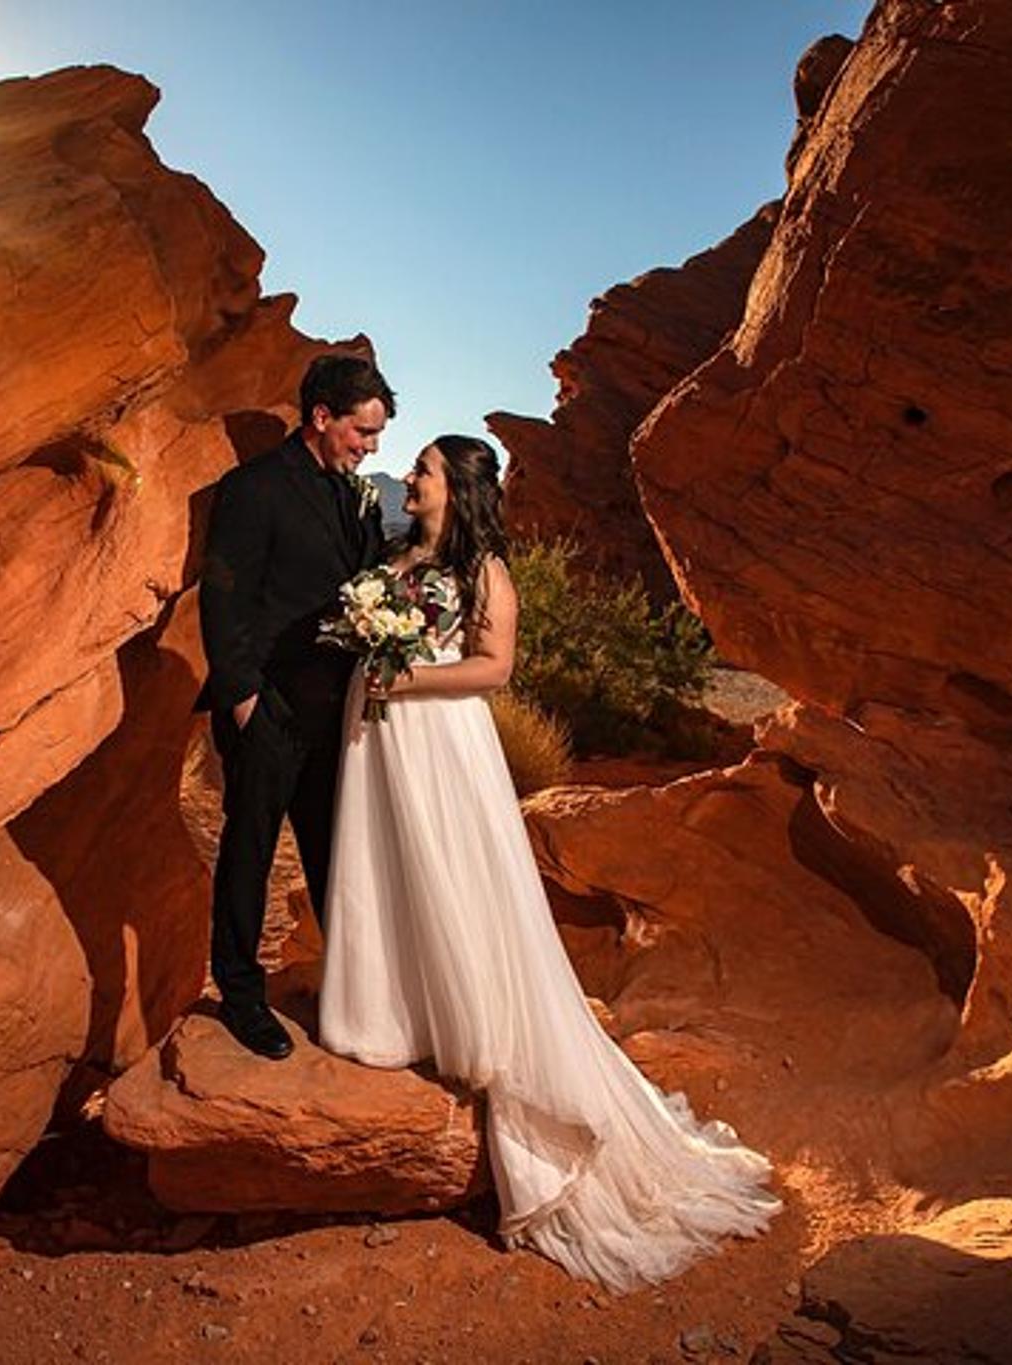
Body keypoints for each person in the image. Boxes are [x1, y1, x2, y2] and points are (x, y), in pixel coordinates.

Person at [318, 435, 779, 1290]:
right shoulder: (395, 553)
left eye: (421, 469)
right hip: (380, 735)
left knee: (452, 875)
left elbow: (494, 667)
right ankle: (395, 1010)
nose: (411, 479)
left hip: (439, 740)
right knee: (387, 870)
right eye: (412, 468)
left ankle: (476, 1026)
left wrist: (403, 678)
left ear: (456, 487)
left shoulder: (484, 566)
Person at [196, 353, 393, 1059]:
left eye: (374, 437)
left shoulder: (356, 496)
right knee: (249, 850)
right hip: (269, 705)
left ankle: (351, 989)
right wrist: (245, 700)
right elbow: (223, 598)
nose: (370, 448)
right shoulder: (253, 488)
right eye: (361, 433)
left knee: (336, 850)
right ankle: (240, 996)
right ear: (320, 418)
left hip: (336, 712)